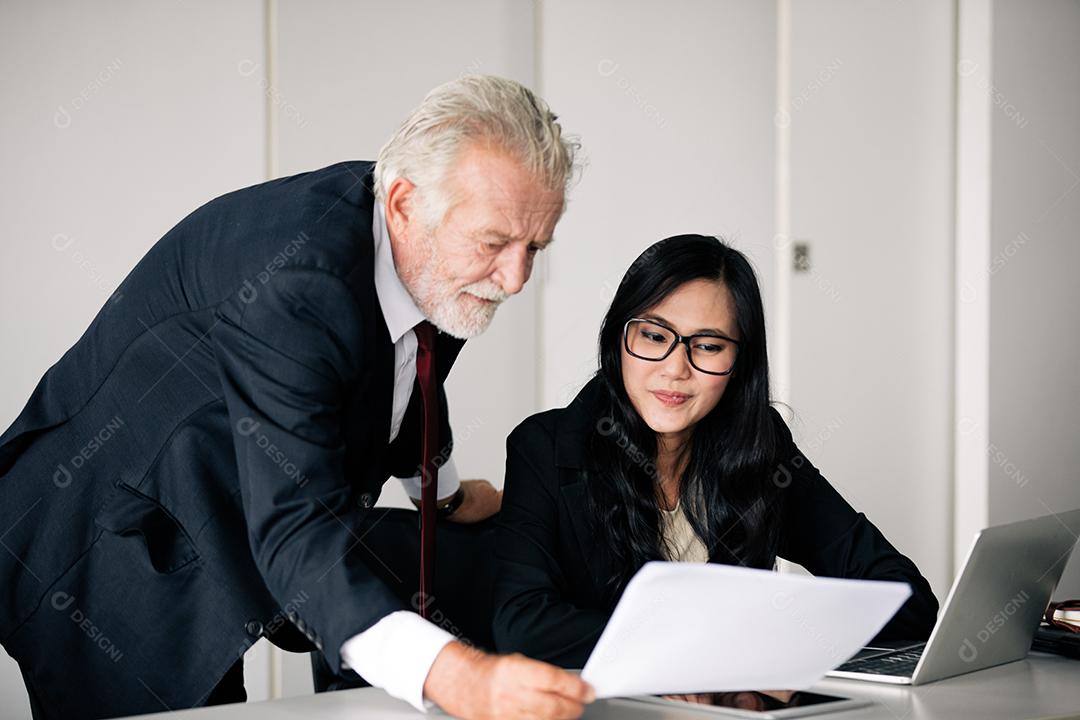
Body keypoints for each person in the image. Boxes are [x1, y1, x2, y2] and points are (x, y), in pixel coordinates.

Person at [0, 75, 594, 720]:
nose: (515, 278)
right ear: (403, 204)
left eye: (535, 247)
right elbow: (295, 525)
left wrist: (442, 493)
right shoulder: (297, 285)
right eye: (495, 243)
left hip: (225, 493)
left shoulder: (432, 248)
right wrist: (453, 675)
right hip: (103, 543)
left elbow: (404, 369)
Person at [492, 234, 939, 668]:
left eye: (707, 346)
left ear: (739, 363)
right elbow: (523, 625)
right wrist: (710, 645)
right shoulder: (545, 446)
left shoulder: (761, 445)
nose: (675, 369)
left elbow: (905, 597)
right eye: (654, 336)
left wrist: (783, 635)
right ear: (618, 340)